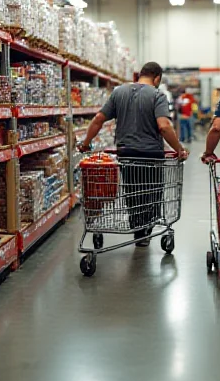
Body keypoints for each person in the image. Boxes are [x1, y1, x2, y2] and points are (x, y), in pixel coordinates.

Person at [79, 62, 188, 246]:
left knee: (132, 193)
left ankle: (138, 229)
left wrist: (86, 142)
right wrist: (179, 149)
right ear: (157, 78)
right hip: (151, 155)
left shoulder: (118, 92)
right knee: (151, 193)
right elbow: (164, 126)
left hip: (126, 153)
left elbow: (98, 118)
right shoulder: (157, 95)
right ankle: (145, 230)